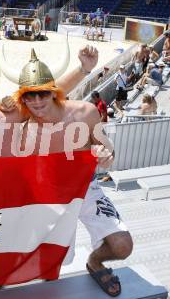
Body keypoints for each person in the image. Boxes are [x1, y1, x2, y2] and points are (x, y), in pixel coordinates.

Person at [9, 51, 132, 297]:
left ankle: (95, 261)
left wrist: (105, 153)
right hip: (50, 197)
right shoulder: (22, 131)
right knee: (54, 262)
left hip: (86, 188)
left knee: (122, 246)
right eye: (29, 95)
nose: (36, 101)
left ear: (54, 91)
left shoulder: (85, 113)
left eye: (42, 93)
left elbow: (107, 149)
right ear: (22, 99)